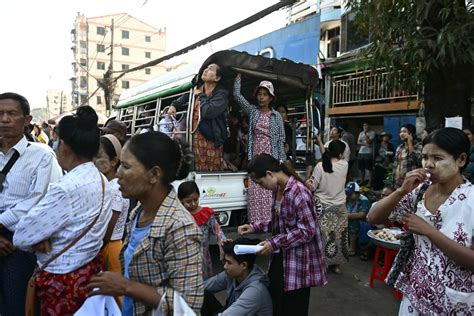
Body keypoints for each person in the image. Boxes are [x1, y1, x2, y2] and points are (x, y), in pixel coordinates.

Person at [86, 131, 203, 315]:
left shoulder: (179, 227)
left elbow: (188, 305)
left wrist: (126, 287)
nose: (118, 174)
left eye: (125, 166)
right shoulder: (137, 213)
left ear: (154, 174)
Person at [13, 106, 113, 315]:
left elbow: (21, 237)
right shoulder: (102, 180)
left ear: (65, 146)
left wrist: (39, 239)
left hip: (63, 282)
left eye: (57, 141)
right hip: (90, 273)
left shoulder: (65, 188)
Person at [368, 127, 474, 315]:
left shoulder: (471, 200)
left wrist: (429, 231)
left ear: (461, 160)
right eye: (425, 157)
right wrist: (401, 191)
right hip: (414, 296)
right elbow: (373, 217)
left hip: (453, 304)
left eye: (438, 158)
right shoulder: (420, 192)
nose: (428, 165)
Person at [238, 153, 327, 316]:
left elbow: (307, 231)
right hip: (281, 258)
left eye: (260, 183)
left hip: (298, 263)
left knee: (293, 308)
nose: (261, 187)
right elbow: (280, 223)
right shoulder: (279, 189)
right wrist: (254, 227)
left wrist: (273, 243)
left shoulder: (298, 192)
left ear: (270, 174)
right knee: (277, 304)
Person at [0, 92, 62, 316]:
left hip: (20, 246)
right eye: (0, 114)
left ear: (27, 120)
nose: (4, 119)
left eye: (11, 114)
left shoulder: (42, 156)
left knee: (16, 307)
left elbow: (39, 202)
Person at [234, 74, 286, 224]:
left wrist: (281, 161)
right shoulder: (253, 112)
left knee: (271, 191)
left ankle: (271, 225)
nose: (261, 97)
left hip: (271, 158)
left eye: (265, 94)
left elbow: (281, 140)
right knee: (256, 189)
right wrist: (238, 75)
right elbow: (237, 96)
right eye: (259, 94)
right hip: (256, 158)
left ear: (271, 98)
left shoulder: (276, 116)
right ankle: (256, 226)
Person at [168, 63, 229, 171]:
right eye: (206, 68)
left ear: (217, 78)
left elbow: (208, 112)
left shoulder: (221, 95)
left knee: (211, 171)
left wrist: (200, 95)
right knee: (197, 170)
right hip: (195, 137)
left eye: (210, 69)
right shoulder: (198, 89)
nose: (205, 70)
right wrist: (174, 105)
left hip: (211, 140)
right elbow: (184, 98)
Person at [306, 139, 349, 274]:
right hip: (340, 206)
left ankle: (319, 264)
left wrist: (308, 176)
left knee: (323, 236)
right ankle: (336, 266)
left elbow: (311, 186)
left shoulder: (320, 166)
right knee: (339, 236)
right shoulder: (344, 165)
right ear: (341, 153)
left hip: (323, 206)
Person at [203, 238, 273, 316]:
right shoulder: (231, 274)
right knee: (201, 294)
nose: (225, 266)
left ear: (243, 265)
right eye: (225, 261)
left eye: (229, 262)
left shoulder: (255, 290)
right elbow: (201, 287)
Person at [94, 135, 130, 277]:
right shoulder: (109, 185)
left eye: (98, 156)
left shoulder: (115, 188)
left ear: (114, 161)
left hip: (111, 246)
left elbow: (109, 226)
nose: (94, 161)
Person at [178, 180, 226, 279]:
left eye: (195, 200)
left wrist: (223, 244)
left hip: (202, 259)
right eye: (188, 201)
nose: (193, 203)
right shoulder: (178, 215)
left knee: (204, 286)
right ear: (180, 200)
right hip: (183, 258)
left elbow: (218, 231)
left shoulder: (206, 214)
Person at [345, 182, 371, 260]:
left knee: (353, 222)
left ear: (357, 193)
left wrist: (345, 216)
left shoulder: (363, 200)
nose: (348, 194)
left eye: (350, 193)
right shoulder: (347, 199)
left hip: (362, 221)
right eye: (347, 192)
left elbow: (361, 215)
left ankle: (352, 248)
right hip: (349, 217)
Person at [392, 123, 423, 188]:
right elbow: (396, 164)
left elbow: (418, 161)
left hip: (411, 183)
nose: (401, 134)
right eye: (400, 132)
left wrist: (410, 142)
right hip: (397, 182)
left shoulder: (418, 146)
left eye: (404, 132)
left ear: (411, 133)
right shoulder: (400, 147)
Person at [357, 122, 376, 186]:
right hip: (361, 152)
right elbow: (358, 142)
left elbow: (369, 141)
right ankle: (362, 181)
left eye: (366, 125)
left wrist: (365, 134)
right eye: (364, 125)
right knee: (361, 168)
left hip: (368, 152)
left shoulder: (372, 133)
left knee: (369, 168)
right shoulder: (360, 133)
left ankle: (369, 182)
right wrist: (365, 144)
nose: (365, 127)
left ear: (369, 126)